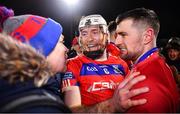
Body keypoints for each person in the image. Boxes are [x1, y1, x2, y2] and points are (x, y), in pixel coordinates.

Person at [62, 14, 149, 112]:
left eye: (95, 32)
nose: (90, 39)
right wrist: (112, 105)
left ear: (106, 36)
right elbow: (72, 111)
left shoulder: (122, 65)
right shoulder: (72, 65)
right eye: (84, 33)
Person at [0, 9, 70, 112]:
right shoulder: (37, 107)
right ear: (40, 50)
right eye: (61, 41)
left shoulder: (20, 91)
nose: (66, 49)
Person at [115, 7, 179, 112]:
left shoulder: (144, 85)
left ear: (147, 36)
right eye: (117, 35)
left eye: (123, 35)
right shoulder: (156, 63)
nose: (117, 42)